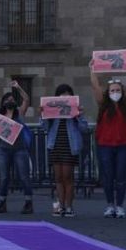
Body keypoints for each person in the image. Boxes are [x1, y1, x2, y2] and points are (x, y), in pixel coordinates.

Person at [89, 66, 126, 218]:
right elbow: (95, 86)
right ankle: (110, 205)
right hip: (105, 145)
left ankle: (120, 206)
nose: (115, 93)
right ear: (108, 93)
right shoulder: (103, 106)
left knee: (121, 177)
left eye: (117, 90)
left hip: (123, 145)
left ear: (122, 92)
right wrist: (92, 69)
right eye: (112, 90)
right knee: (108, 176)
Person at [43, 83, 88, 217]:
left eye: (67, 96)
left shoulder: (76, 111)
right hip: (55, 144)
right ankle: (60, 205)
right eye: (62, 96)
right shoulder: (53, 113)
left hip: (70, 145)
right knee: (58, 177)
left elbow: (84, 128)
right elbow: (44, 127)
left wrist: (78, 116)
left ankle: (69, 206)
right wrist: (44, 114)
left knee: (68, 177)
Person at [0, 82, 34, 214]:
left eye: (12, 99)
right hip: (3, 149)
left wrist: (18, 87)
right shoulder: (0, 117)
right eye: (7, 100)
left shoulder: (20, 113)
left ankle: (28, 202)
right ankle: (2, 202)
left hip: (19, 148)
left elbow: (27, 99)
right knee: (4, 177)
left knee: (24, 176)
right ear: (3, 103)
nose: (10, 101)